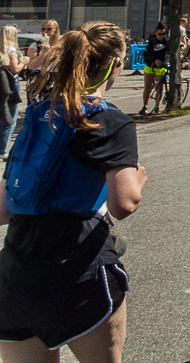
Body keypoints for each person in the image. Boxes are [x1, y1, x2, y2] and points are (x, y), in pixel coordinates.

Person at [0, 20, 147, 362]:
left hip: (18, 267)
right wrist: (137, 181)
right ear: (116, 65)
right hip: (79, 267)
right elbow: (123, 202)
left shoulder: (38, 114)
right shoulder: (110, 121)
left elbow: (4, 210)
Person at [0, 26, 25, 157]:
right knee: (11, 116)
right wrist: (24, 63)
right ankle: (3, 149)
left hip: (2, 83)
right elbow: (15, 68)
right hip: (11, 84)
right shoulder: (12, 50)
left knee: (3, 114)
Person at [139, 22, 170, 115]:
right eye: (160, 34)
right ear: (156, 33)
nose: (161, 36)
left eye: (163, 34)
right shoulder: (152, 40)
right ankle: (145, 106)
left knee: (159, 88)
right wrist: (154, 60)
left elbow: (168, 54)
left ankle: (157, 106)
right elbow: (149, 53)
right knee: (148, 86)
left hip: (161, 66)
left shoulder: (166, 41)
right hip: (150, 65)